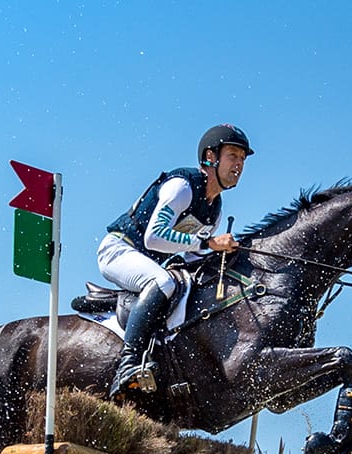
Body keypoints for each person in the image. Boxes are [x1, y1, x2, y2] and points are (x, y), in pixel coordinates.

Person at [99, 124, 253, 400]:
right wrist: (208, 243)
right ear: (211, 157)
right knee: (164, 281)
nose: (239, 165)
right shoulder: (182, 186)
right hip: (119, 250)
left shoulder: (214, 209)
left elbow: (193, 256)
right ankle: (129, 363)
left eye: (242, 159)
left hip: (148, 261)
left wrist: (225, 256)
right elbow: (154, 237)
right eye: (233, 156)